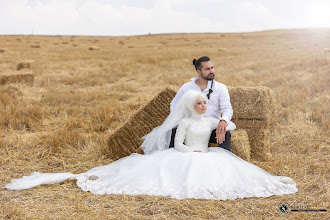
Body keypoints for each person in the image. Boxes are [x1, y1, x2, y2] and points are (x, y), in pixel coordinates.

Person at [6, 91, 297, 200]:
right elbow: (180, 143)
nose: (202, 105)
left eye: (204, 102)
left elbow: (230, 126)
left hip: (209, 154)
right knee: (169, 175)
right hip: (187, 154)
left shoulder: (208, 121)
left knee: (232, 174)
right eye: (198, 102)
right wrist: (190, 152)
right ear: (190, 105)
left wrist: (223, 122)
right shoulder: (184, 122)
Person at [169, 56, 233, 151]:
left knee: (226, 134)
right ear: (199, 72)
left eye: (212, 68)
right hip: (191, 128)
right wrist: (183, 122)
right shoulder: (186, 87)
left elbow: (227, 108)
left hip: (211, 127)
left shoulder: (221, 88)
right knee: (173, 131)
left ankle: (225, 161)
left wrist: (224, 120)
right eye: (207, 69)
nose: (211, 71)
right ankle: (173, 160)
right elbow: (174, 104)